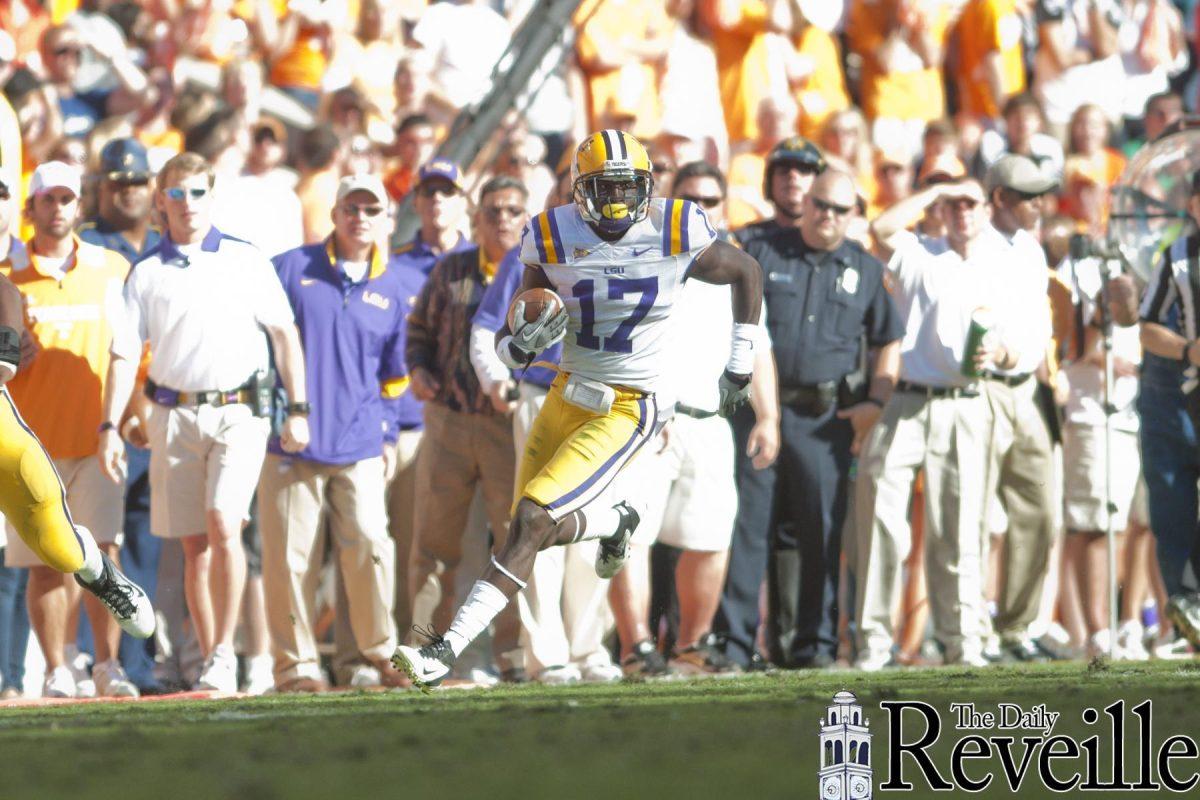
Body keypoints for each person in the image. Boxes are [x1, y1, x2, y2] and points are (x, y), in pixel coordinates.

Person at [393, 129, 764, 690]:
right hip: (565, 392)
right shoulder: (550, 231)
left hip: (629, 404)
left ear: (646, 187)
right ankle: (613, 521)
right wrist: (520, 344)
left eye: (625, 188)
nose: (616, 201)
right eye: (603, 188)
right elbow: (519, 328)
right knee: (523, 527)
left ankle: (442, 653)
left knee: (532, 522)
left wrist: (739, 365)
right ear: (578, 190)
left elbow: (746, 272)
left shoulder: (676, 225)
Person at [98, 152, 311, 694]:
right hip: (171, 411)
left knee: (223, 522)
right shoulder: (145, 271)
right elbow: (124, 354)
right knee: (193, 544)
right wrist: (108, 426)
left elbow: (284, 334)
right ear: (160, 201)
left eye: (197, 193)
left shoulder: (245, 258)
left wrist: (300, 408)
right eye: (176, 193)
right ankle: (210, 651)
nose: (187, 205)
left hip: (239, 408)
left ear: (211, 198)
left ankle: (222, 652)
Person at [733, 169, 903, 670]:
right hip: (757, 410)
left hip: (823, 416)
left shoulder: (866, 270)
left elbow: (888, 338)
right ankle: (735, 644)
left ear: (854, 216)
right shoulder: (764, 251)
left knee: (821, 532)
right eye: (821, 204)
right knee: (747, 528)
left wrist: (876, 402)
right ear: (806, 203)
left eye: (840, 209)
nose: (828, 215)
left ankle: (817, 644)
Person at [609, 161, 770, 675]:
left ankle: (690, 646)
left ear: (726, 207)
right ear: (671, 204)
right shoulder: (643, 256)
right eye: (690, 199)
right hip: (652, 420)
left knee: (710, 537)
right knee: (629, 536)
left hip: (711, 419)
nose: (702, 208)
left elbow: (758, 349)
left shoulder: (738, 268)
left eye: (712, 199)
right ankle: (636, 648)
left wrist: (769, 419)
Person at [858, 177, 1025, 670]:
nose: (961, 212)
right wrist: (936, 192)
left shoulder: (1002, 264)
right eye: (952, 205)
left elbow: (1020, 347)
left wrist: (1000, 351)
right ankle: (872, 642)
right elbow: (881, 225)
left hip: (967, 402)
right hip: (908, 399)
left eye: (970, 203)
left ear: (986, 210)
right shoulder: (920, 251)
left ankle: (961, 640)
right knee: (883, 524)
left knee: (961, 527)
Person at [469, 170, 620, 685]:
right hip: (542, 395)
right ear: (560, 198)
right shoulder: (531, 252)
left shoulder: (625, 254)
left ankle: (588, 647)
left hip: (606, 402)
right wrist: (497, 379)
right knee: (534, 522)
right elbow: (488, 329)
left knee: (592, 524)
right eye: (580, 191)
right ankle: (547, 653)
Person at [1, 162, 143, 698]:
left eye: (66, 197)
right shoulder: (6, 276)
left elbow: (132, 350)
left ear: (79, 205)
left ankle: (107, 666)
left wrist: (131, 414)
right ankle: (58, 669)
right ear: (30, 208)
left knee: (103, 554)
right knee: (42, 566)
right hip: (28, 442)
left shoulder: (112, 267)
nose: (57, 207)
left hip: (95, 438)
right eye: (47, 198)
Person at [261, 174, 406, 692]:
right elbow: (260, 351)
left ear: (384, 218)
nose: (360, 218)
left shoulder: (393, 285)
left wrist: (388, 433)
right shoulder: (290, 268)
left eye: (371, 209)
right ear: (334, 212)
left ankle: (381, 653)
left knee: (370, 543)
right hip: (290, 440)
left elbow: (394, 375)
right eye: (351, 207)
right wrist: (277, 414)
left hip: (360, 438)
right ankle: (295, 667)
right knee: (289, 559)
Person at [402, 175, 530, 682]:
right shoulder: (450, 269)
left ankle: (513, 656)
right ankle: (422, 650)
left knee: (515, 543)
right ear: (475, 219)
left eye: (513, 210)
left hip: (509, 426)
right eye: (493, 210)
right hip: (451, 421)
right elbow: (417, 331)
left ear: (527, 219)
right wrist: (418, 371)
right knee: (434, 544)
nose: (502, 219)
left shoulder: (538, 273)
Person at [77, 138, 162, 692]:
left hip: (165, 409)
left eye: (136, 181)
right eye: (117, 182)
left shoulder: (166, 244)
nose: (127, 190)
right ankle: (93, 662)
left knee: (148, 543)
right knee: (98, 545)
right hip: (105, 412)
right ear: (100, 187)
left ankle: (143, 664)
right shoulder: (90, 247)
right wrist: (130, 405)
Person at [386, 159, 471, 638]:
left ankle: (467, 647)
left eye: (447, 192)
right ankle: (411, 643)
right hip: (409, 422)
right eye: (429, 192)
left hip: (471, 419)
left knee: (472, 544)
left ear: (463, 201)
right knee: (410, 545)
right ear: (416, 202)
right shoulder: (394, 266)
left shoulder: (488, 259)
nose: (437, 201)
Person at [981, 155, 1058, 662]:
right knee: (977, 517)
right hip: (984, 386)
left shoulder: (1031, 248)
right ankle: (971, 627)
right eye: (1028, 195)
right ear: (1002, 199)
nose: (1039, 203)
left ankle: (1017, 626)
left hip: (1029, 388)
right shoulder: (973, 247)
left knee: (1042, 511)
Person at [1136, 170, 1200, 651]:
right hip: (1181, 393)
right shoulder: (1176, 258)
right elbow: (1147, 328)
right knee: (1173, 503)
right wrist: (1187, 350)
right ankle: (1185, 605)